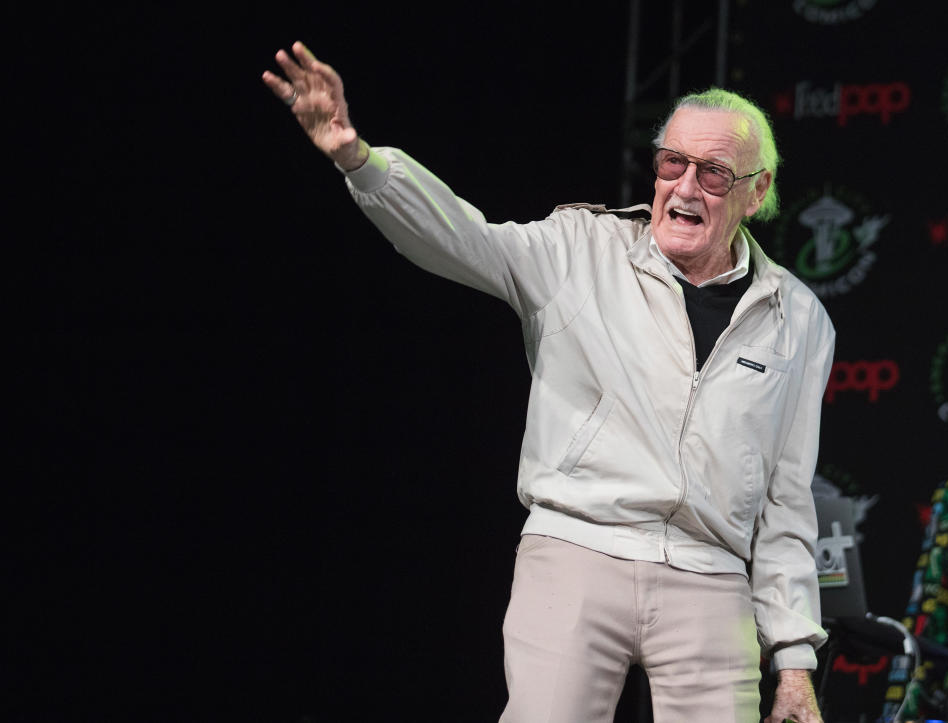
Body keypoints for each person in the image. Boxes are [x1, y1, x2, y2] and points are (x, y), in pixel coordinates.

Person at [262, 40, 834, 723]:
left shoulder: (797, 317)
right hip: (577, 546)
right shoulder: (579, 249)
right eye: (671, 163)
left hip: (711, 578)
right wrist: (356, 156)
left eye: (713, 173)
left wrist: (795, 660)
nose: (683, 187)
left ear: (757, 190)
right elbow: (460, 238)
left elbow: (786, 504)